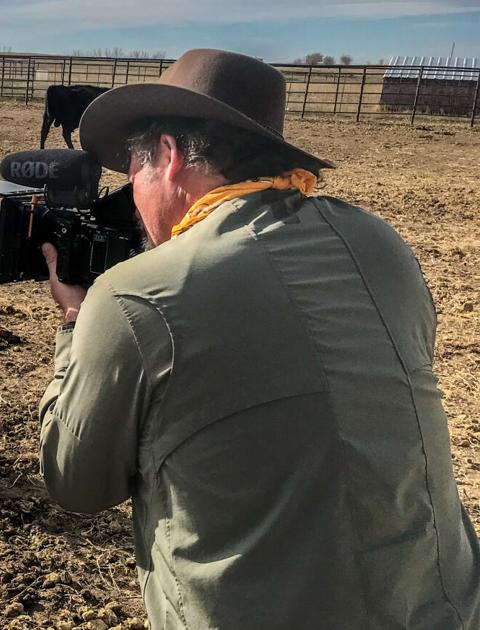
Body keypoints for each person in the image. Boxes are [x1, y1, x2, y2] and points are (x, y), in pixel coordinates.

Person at [39, 48, 480, 628]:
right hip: (441, 605)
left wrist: (76, 323)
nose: (132, 195)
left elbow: (75, 482)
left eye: (133, 171)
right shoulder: (381, 244)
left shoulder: (135, 295)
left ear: (168, 157)